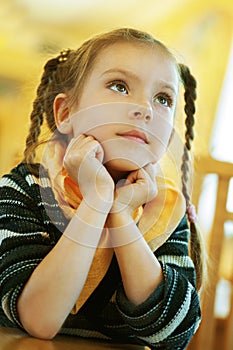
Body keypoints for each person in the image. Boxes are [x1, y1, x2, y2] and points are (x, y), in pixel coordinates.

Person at [0, 28, 203, 349]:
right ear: (66, 114)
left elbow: (175, 335)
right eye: (119, 86)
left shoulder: (164, 209)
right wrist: (96, 203)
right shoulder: (23, 188)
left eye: (162, 99)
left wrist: (120, 214)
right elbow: (38, 319)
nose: (145, 109)